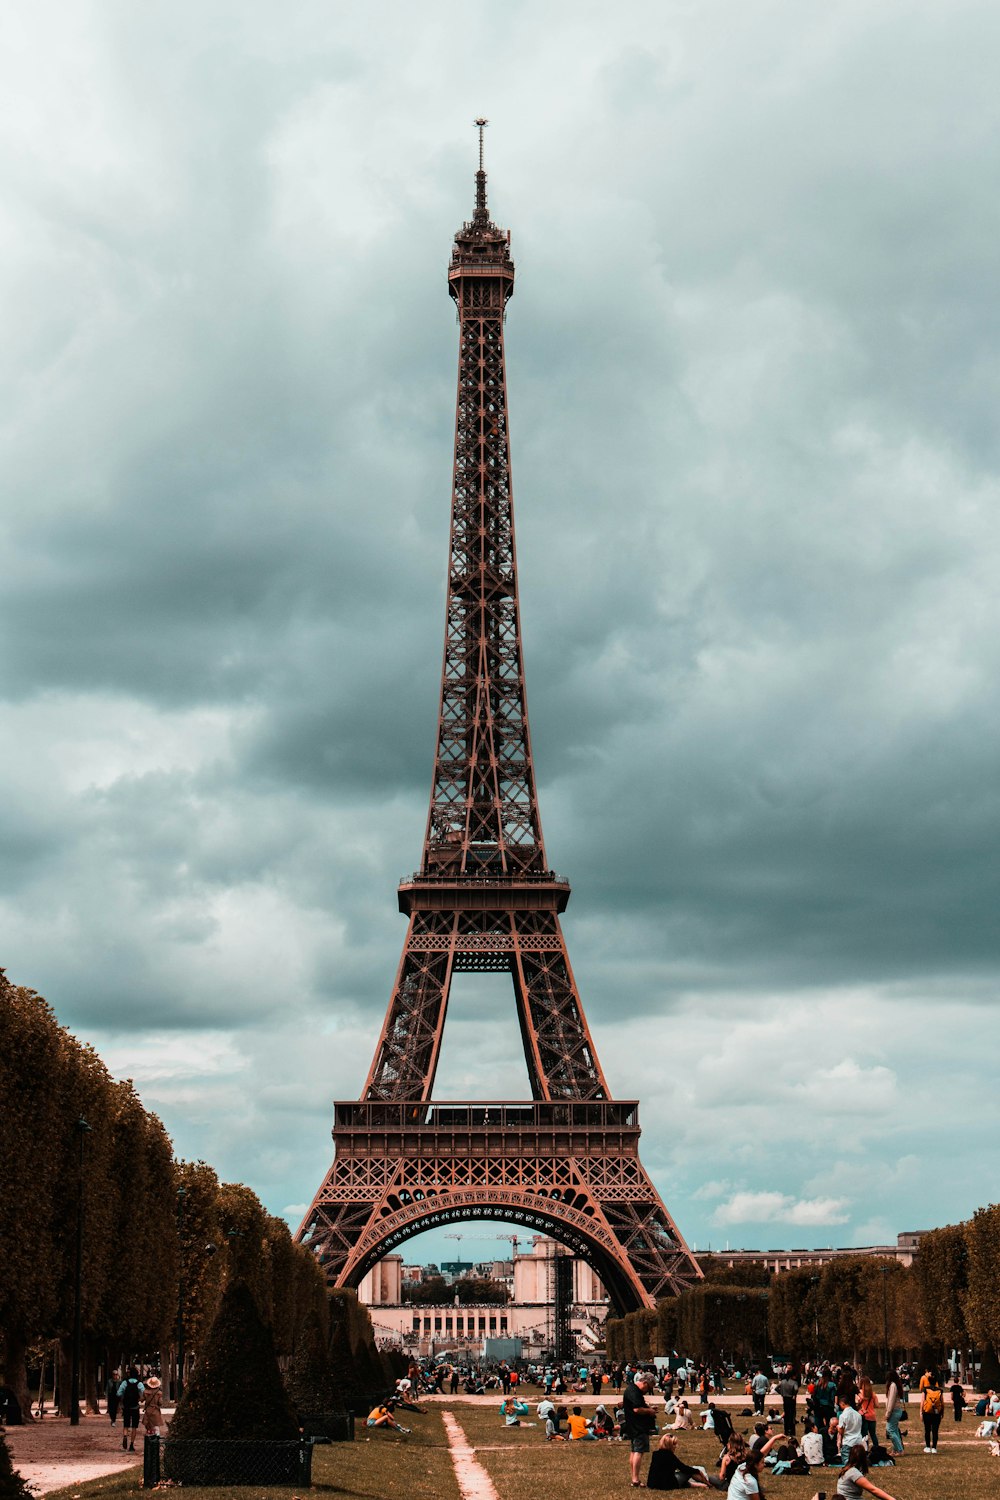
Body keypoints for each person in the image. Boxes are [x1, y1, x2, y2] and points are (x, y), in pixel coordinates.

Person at [623, 1370, 659, 1486]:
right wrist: (650, 1411)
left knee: (634, 1451)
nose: (648, 1391)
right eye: (649, 1387)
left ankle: (634, 1477)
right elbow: (637, 1409)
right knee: (639, 1451)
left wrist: (649, 1408)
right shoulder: (634, 1391)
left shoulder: (632, 1390)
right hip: (638, 1426)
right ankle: (635, 1479)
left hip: (633, 1426)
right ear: (644, 1382)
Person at [117, 1368, 144, 1452]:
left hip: (126, 1407)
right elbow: (144, 1393)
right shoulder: (139, 1384)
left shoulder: (125, 1382)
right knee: (134, 1427)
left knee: (126, 1424)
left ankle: (125, 1436)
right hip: (135, 1407)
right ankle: (131, 1445)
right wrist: (140, 1399)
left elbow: (118, 1393)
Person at [920, 1370, 943, 1452]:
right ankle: (934, 1447)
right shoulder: (940, 1390)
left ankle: (927, 1447)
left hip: (927, 1412)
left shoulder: (925, 1390)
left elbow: (922, 1401)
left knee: (927, 1430)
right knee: (935, 1430)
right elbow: (942, 1402)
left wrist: (921, 1412)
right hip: (937, 1413)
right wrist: (942, 1412)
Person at [836, 1394, 864, 1462]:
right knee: (857, 1460)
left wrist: (838, 1428)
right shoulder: (858, 1414)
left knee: (847, 1461)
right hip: (858, 1440)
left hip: (848, 1441)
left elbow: (841, 1431)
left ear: (842, 1403)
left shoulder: (843, 1416)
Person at [883, 1370, 905, 1456]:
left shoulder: (892, 1386)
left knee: (890, 1430)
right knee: (895, 1431)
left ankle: (899, 1450)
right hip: (896, 1410)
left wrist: (888, 1413)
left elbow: (891, 1401)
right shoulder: (896, 1385)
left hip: (893, 1411)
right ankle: (896, 1449)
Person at [778, 1370, 799, 1437]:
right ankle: (792, 1431)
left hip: (785, 1399)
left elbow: (776, 1388)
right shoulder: (794, 1382)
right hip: (791, 1400)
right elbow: (796, 1389)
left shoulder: (783, 1382)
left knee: (786, 1415)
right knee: (792, 1415)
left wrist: (781, 1393)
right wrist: (794, 1394)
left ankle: (786, 1430)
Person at [858, 1377, 878, 1445]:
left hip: (864, 1416)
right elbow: (877, 1405)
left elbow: (858, 1403)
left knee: (864, 1434)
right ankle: (876, 1447)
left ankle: (865, 1448)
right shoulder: (873, 1394)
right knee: (873, 1434)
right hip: (872, 1416)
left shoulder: (860, 1393)